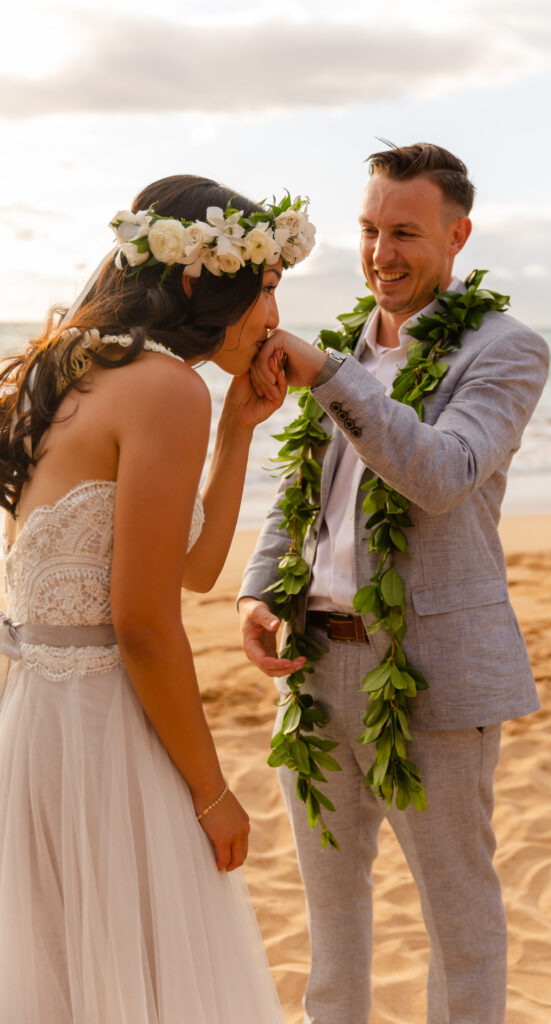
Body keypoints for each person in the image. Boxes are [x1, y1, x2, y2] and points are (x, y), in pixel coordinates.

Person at [238, 142, 550, 1024]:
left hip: (435, 675)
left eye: (405, 232)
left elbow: (443, 471)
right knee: (330, 918)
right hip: (313, 669)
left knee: (458, 918)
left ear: (458, 236)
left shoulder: (505, 350)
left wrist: (332, 377)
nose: (382, 252)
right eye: (371, 229)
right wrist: (258, 591)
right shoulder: (339, 348)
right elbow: (304, 496)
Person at [0, 173, 315, 1023]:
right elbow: (144, 626)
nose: (273, 318)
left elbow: (194, 566)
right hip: (106, 732)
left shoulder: (68, 371)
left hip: (35, 725)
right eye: (267, 287)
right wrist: (212, 792)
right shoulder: (165, 387)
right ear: (195, 279)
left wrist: (237, 431)